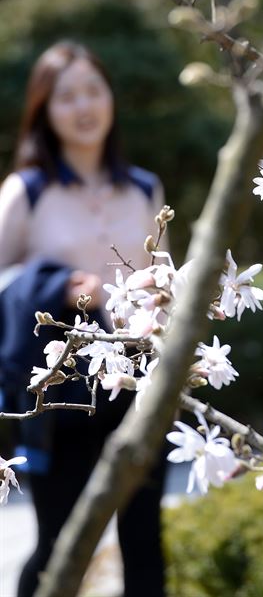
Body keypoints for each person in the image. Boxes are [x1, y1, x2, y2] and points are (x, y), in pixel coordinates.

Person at [0, 41, 167, 597]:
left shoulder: (144, 188)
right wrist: (56, 287)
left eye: (93, 90)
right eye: (66, 95)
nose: (83, 106)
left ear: (111, 100)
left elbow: (161, 281)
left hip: (137, 380)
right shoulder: (27, 191)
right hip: (59, 388)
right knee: (61, 543)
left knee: (144, 539)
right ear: (44, 108)